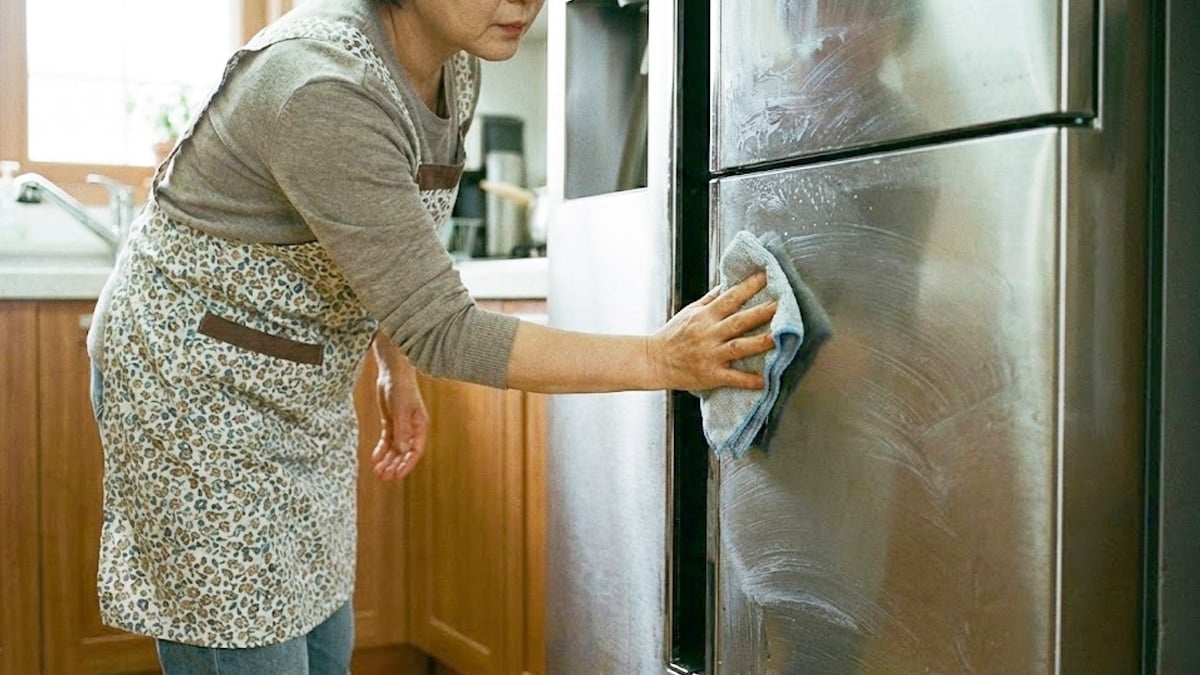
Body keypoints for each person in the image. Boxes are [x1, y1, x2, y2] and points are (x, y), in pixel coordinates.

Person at [85, 0, 777, 672]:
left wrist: (396, 366)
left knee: (321, 641)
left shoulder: (454, 63)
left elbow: (390, 241)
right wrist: (661, 357)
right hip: (194, 389)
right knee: (244, 635)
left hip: (297, 387)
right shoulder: (321, 85)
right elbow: (446, 329)